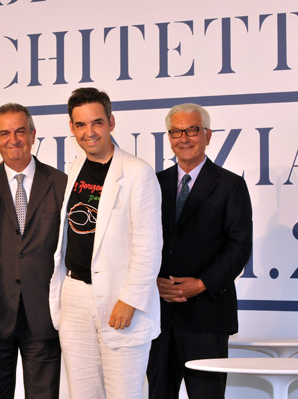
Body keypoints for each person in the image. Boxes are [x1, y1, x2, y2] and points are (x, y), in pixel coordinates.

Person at [48, 87, 162, 399]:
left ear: (111, 122)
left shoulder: (138, 173)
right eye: (81, 125)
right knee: (82, 393)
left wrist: (131, 300)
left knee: (124, 394)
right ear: (72, 128)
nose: (89, 132)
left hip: (119, 301)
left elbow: (149, 246)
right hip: (74, 298)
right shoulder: (74, 168)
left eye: (97, 123)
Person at [147, 103, 252, 399]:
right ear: (169, 138)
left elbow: (239, 246)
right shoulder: (153, 183)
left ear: (207, 135)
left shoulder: (231, 185)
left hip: (208, 316)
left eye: (192, 130)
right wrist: (153, 281)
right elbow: (140, 242)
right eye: (176, 131)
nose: (184, 137)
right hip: (160, 315)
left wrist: (202, 284)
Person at [0, 103, 66, 399]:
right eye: (5, 133)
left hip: (45, 314)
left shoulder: (62, 184)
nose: (13, 139)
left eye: (20, 131)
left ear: (33, 134)